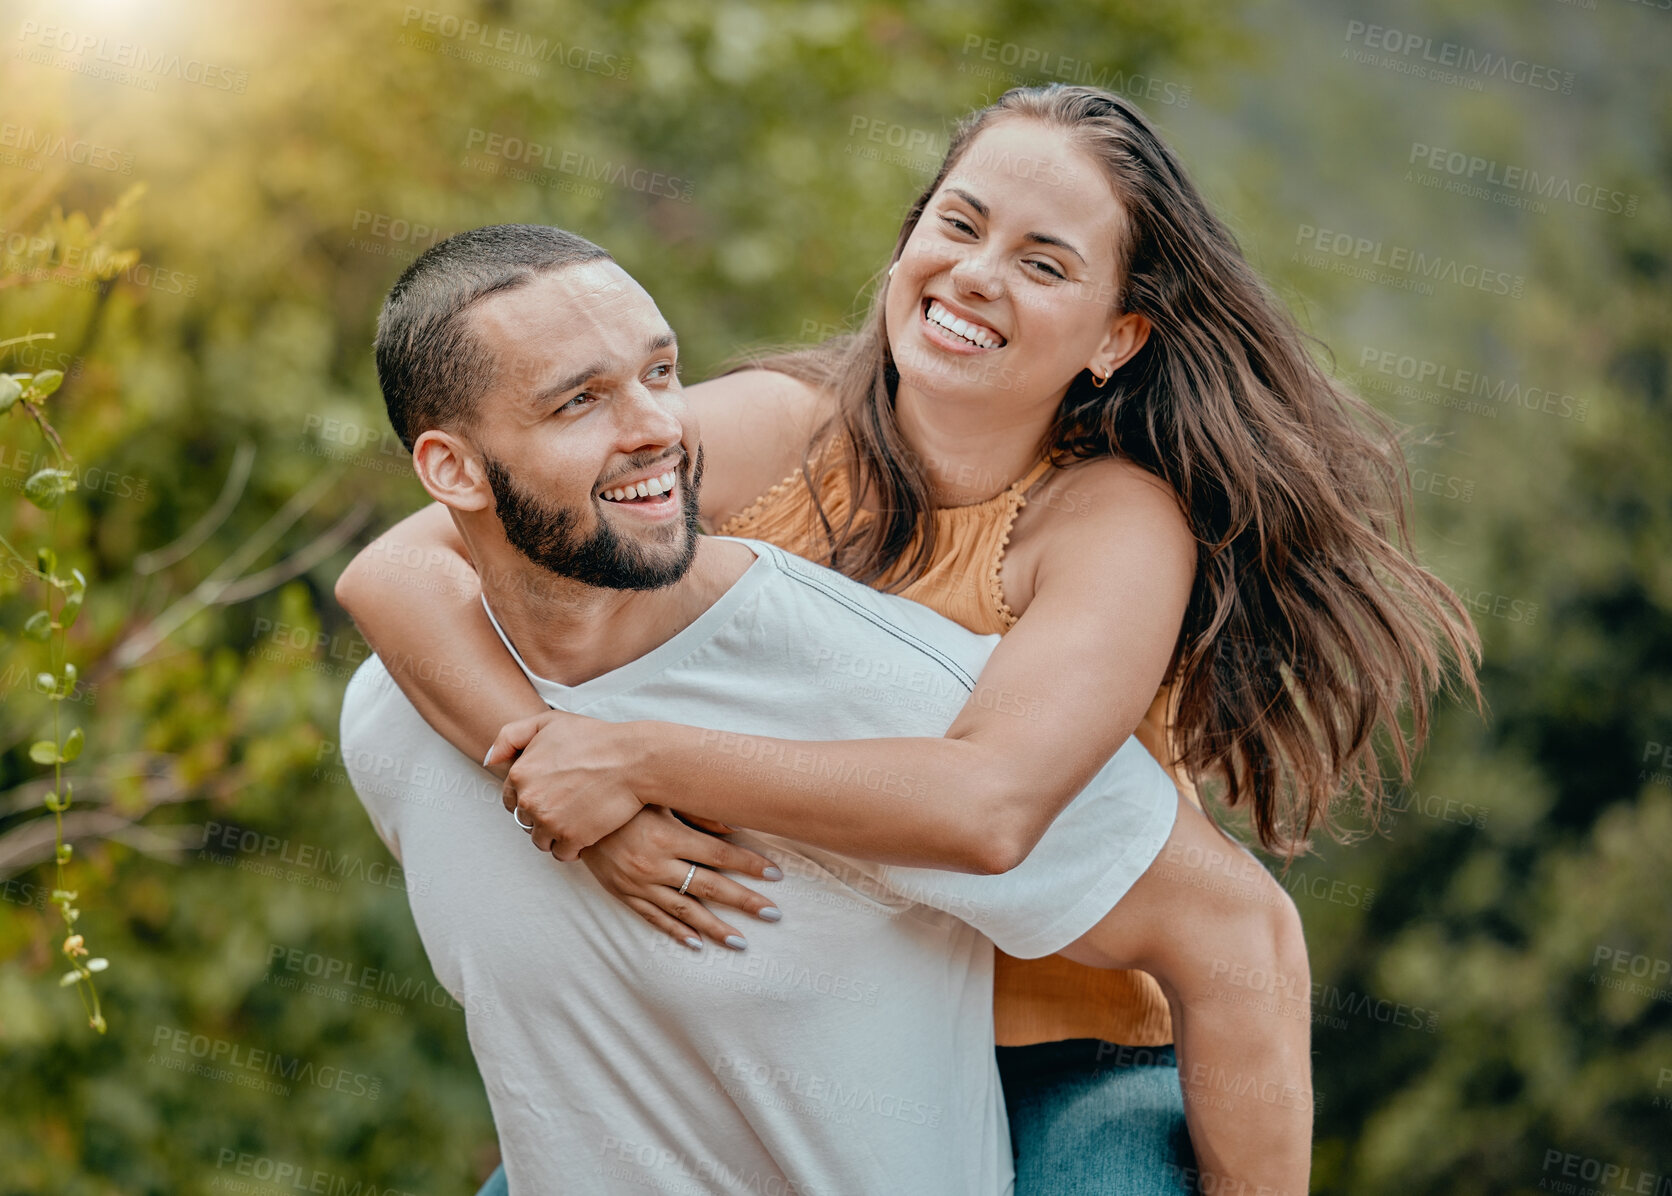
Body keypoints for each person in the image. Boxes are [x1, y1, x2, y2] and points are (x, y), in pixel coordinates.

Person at [339, 86, 1477, 1192]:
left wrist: (632, 760)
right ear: (908, 241)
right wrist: (565, 785)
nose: (976, 274)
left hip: (1062, 1049)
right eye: (960, 223)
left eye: (1042, 263)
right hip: (815, 1018)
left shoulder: (1110, 520)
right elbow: (401, 565)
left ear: (1114, 337)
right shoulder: (787, 424)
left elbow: (989, 808)